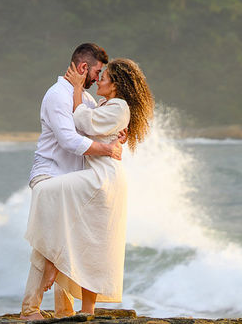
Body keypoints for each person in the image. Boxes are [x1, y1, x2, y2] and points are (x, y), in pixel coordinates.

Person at [23, 57, 153, 316]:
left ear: (115, 84)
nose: (98, 80)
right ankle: (67, 298)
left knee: (86, 237)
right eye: (98, 73)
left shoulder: (113, 105)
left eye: (103, 77)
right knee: (85, 239)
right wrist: (110, 145)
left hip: (101, 179)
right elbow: (76, 134)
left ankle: (54, 270)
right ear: (84, 68)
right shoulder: (77, 99)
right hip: (83, 175)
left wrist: (78, 90)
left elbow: (83, 120)